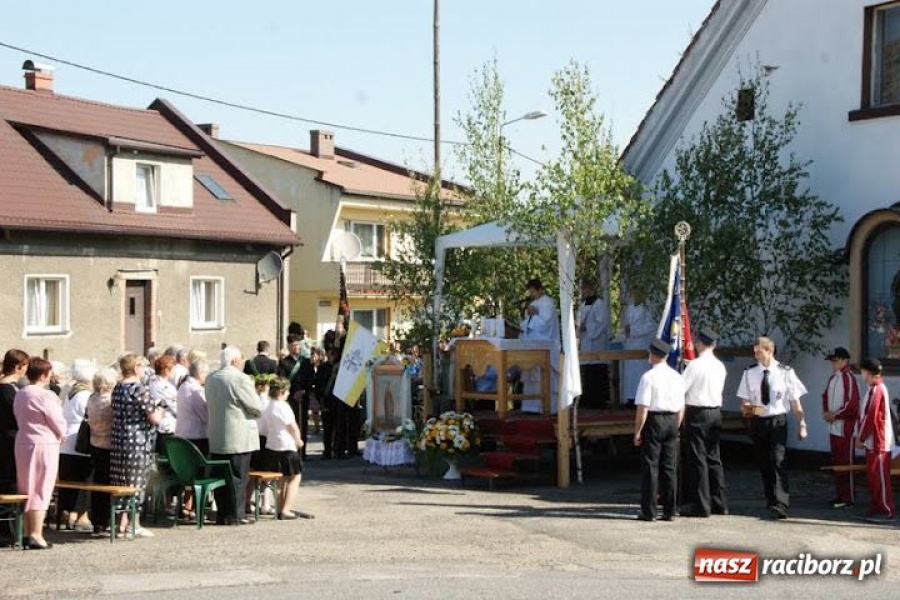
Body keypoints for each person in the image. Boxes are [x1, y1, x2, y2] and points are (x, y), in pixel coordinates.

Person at [737, 336, 808, 520]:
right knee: (763, 462)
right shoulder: (749, 373)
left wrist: (802, 423)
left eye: (759, 352)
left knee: (778, 459)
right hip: (759, 421)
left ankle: (782, 503)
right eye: (755, 353)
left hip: (778, 421)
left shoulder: (785, 372)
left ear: (769, 350)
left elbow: (795, 401)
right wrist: (752, 410)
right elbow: (744, 403)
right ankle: (771, 498)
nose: (756, 356)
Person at [205, 345, 263, 526]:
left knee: (221, 478)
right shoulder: (240, 379)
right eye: (241, 359)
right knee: (238, 477)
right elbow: (256, 406)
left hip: (217, 435)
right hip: (239, 436)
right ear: (235, 360)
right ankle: (237, 515)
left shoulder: (211, 378)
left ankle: (223, 513)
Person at [14, 357, 66, 549]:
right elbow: (57, 420)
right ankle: (36, 533)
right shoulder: (46, 395)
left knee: (26, 487)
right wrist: (62, 434)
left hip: (23, 442)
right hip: (44, 443)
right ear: (44, 374)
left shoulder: (21, 393)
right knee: (41, 487)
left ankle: (27, 532)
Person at [111, 353, 164, 538]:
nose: (144, 370)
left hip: (119, 439)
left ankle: (122, 524)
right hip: (138, 441)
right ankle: (135, 524)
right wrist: (161, 410)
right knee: (137, 483)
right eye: (142, 366)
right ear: (135, 368)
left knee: (123, 483)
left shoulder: (117, 388)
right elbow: (154, 418)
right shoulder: (139, 389)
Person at [632, 339, 685, 522]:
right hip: (671, 419)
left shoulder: (648, 377)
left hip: (654, 420)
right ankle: (670, 510)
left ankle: (649, 510)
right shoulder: (677, 376)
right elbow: (681, 405)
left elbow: (643, 408)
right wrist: (676, 424)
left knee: (651, 466)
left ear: (653, 355)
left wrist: (638, 431)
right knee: (669, 467)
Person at [679, 329, 729, 518]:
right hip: (715, 412)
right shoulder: (720, 366)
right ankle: (719, 502)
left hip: (697, 412)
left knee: (698, 458)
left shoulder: (695, 366)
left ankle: (701, 504)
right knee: (713, 457)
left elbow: (681, 388)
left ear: (699, 343)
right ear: (714, 345)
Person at [57, 360, 96, 532]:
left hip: (66, 442)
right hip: (80, 441)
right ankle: (81, 516)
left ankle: (67, 514)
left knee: (69, 479)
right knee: (83, 480)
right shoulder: (86, 395)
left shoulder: (69, 393)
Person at [856, 358, 895, 523]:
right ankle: (876, 506)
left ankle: (887, 510)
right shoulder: (874, 388)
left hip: (879, 440)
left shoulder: (876, 389)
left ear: (868, 372)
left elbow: (871, 416)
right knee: (874, 475)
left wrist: (861, 437)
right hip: (875, 440)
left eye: (862, 371)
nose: (861, 374)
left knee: (880, 476)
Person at [821, 346, 860, 509]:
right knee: (837, 462)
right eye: (832, 360)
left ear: (845, 361)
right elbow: (825, 397)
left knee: (846, 463)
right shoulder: (833, 378)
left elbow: (852, 403)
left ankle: (848, 497)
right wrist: (826, 413)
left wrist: (835, 415)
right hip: (834, 427)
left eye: (836, 360)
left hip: (845, 428)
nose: (833, 363)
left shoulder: (848, 378)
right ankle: (839, 494)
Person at [260, 377, 304, 519]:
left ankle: (279, 507)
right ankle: (287, 509)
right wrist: (298, 440)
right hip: (286, 445)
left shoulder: (267, 405)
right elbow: (292, 426)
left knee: (279, 479)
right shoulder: (283, 406)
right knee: (294, 477)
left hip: (272, 445)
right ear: (282, 392)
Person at [518, 278, 560, 414]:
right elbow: (527, 322)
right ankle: (531, 406)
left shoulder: (548, 303)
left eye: (533, 291)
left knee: (543, 373)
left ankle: (546, 406)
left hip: (545, 342)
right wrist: (527, 320)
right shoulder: (533, 303)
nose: (531, 295)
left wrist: (534, 314)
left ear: (539, 289)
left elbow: (545, 324)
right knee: (531, 373)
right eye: (530, 292)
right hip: (532, 342)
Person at [0, 349, 27, 546]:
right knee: (8, 482)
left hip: (5, 437)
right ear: (18, 366)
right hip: (9, 440)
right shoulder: (10, 390)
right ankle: (5, 531)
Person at [86, 368, 117, 537]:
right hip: (109, 444)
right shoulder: (109, 401)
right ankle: (106, 520)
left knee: (98, 482)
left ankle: (97, 520)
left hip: (94, 443)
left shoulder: (92, 399)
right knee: (108, 484)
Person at [577, 279, 610, 409]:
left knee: (597, 369)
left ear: (590, 289)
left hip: (597, 342)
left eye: (584, 290)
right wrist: (579, 327)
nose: (583, 292)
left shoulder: (599, 304)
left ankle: (598, 400)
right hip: (585, 341)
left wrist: (589, 328)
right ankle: (587, 398)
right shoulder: (582, 305)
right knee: (587, 370)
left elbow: (602, 323)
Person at [622, 288, 655, 404]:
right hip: (630, 343)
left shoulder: (646, 307)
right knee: (630, 372)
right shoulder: (629, 308)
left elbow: (650, 325)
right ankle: (631, 397)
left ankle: (641, 398)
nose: (633, 295)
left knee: (640, 371)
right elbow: (626, 323)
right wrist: (626, 330)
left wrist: (634, 330)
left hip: (641, 343)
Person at [279, 336, 309, 453]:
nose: (296, 347)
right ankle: (293, 449)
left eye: (298, 345)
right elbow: (282, 379)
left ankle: (303, 450)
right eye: (293, 345)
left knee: (303, 424)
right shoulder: (284, 362)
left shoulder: (305, 361)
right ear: (289, 347)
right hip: (291, 397)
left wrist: (304, 391)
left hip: (303, 397)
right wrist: (292, 393)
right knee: (292, 423)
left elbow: (310, 378)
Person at [175, 360, 210, 456]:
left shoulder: (183, 386)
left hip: (184, 434)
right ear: (199, 374)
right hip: (195, 436)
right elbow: (204, 415)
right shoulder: (195, 389)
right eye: (206, 373)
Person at [148, 355, 178, 454]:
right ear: (166, 370)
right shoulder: (166, 386)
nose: (174, 372)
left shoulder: (150, 381)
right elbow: (176, 408)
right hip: (167, 427)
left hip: (155, 427)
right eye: (173, 369)